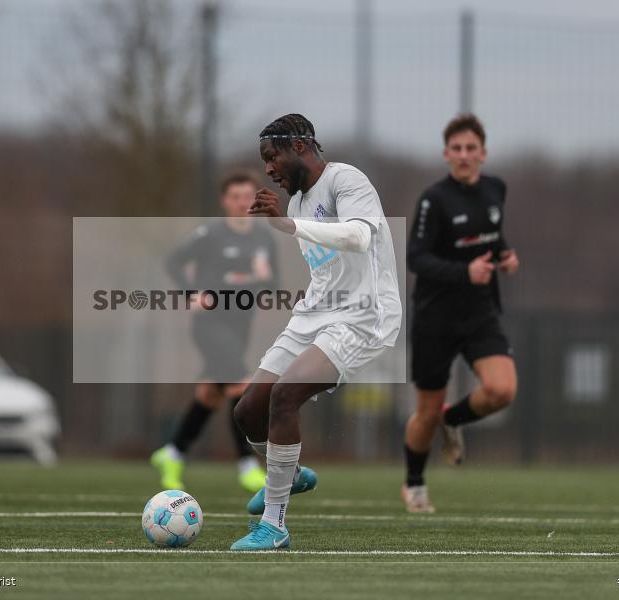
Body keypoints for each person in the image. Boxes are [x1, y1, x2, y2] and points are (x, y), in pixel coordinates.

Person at [229, 114, 401, 550]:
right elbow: (326, 271)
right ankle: (289, 473)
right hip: (315, 314)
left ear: (300, 147)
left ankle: (274, 524)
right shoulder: (297, 204)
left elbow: (360, 238)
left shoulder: (347, 180)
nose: (268, 169)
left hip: (365, 315)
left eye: (272, 158)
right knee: (249, 411)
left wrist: (287, 226)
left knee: (286, 395)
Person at [402, 113, 519, 513]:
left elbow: (491, 230)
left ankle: (454, 419)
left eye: (471, 148)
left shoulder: (495, 189)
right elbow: (415, 258)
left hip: (480, 312)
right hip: (436, 317)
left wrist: (504, 253)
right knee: (425, 413)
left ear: (483, 154)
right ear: (446, 154)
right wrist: (463, 271)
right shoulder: (434, 200)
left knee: (502, 390)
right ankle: (414, 483)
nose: (464, 155)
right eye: (457, 149)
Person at [150, 173, 278, 493]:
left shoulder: (264, 239)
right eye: (235, 196)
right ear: (225, 201)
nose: (242, 202)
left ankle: (173, 451)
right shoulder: (210, 234)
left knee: (210, 393)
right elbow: (174, 261)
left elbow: (273, 288)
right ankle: (247, 463)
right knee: (240, 384)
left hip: (240, 327)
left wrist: (264, 280)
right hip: (209, 325)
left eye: (248, 196)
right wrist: (191, 292)